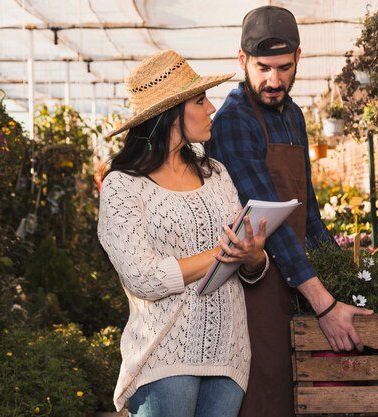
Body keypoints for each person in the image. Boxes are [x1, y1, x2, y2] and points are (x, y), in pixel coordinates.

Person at [204, 6, 373, 417]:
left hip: (294, 276)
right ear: (242, 60)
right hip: (254, 284)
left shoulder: (293, 115)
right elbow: (267, 223)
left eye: (283, 67)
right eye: (263, 67)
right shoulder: (234, 121)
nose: (273, 80)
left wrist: (343, 275)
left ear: (298, 58)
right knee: (268, 389)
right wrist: (325, 304)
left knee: (299, 390)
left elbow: (307, 211)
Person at [98, 49, 270, 417]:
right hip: (164, 356)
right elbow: (143, 277)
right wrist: (223, 253)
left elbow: (248, 268)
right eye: (200, 99)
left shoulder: (216, 173)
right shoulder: (123, 187)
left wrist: (253, 255)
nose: (211, 108)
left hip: (229, 353)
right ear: (170, 115)